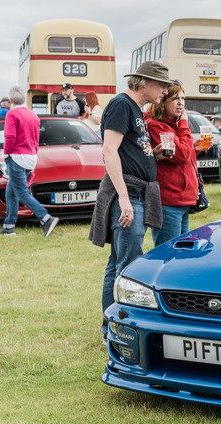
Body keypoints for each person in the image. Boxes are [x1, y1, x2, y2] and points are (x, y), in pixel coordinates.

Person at [88, 61, 170, 341]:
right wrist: (123, 198)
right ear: (144, 82)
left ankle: (111, 327)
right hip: (129, 195)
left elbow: (129, 150)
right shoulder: (121, 105)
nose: (165, 89)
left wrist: (154, 154)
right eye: (162, 84)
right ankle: (117, 329)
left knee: (119, 263)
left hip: (138, 193)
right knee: (127, 266)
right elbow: (109, 151)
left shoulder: (135, 109)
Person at [144, 81, 206, 247]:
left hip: (183, 200)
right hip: (169, 201)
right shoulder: (156, 125)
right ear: (162, 102)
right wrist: (184, 125)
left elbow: (181, 155)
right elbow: (181, 155)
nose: (181, 103)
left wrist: (194, 149)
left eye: (183, 98)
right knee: (168, 253)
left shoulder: (174, 125)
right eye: (175, 99)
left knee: (182, 251)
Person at [0, 85, 60, 237]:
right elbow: (36, 139)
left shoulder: (12, 114)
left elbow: (10, 137)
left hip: (17, 156)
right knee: (11, 191)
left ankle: (46, 218)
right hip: (31, 156)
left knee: (21, 192)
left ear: (11, 100)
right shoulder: (33, 115)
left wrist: (6, 154)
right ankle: (9, 225)